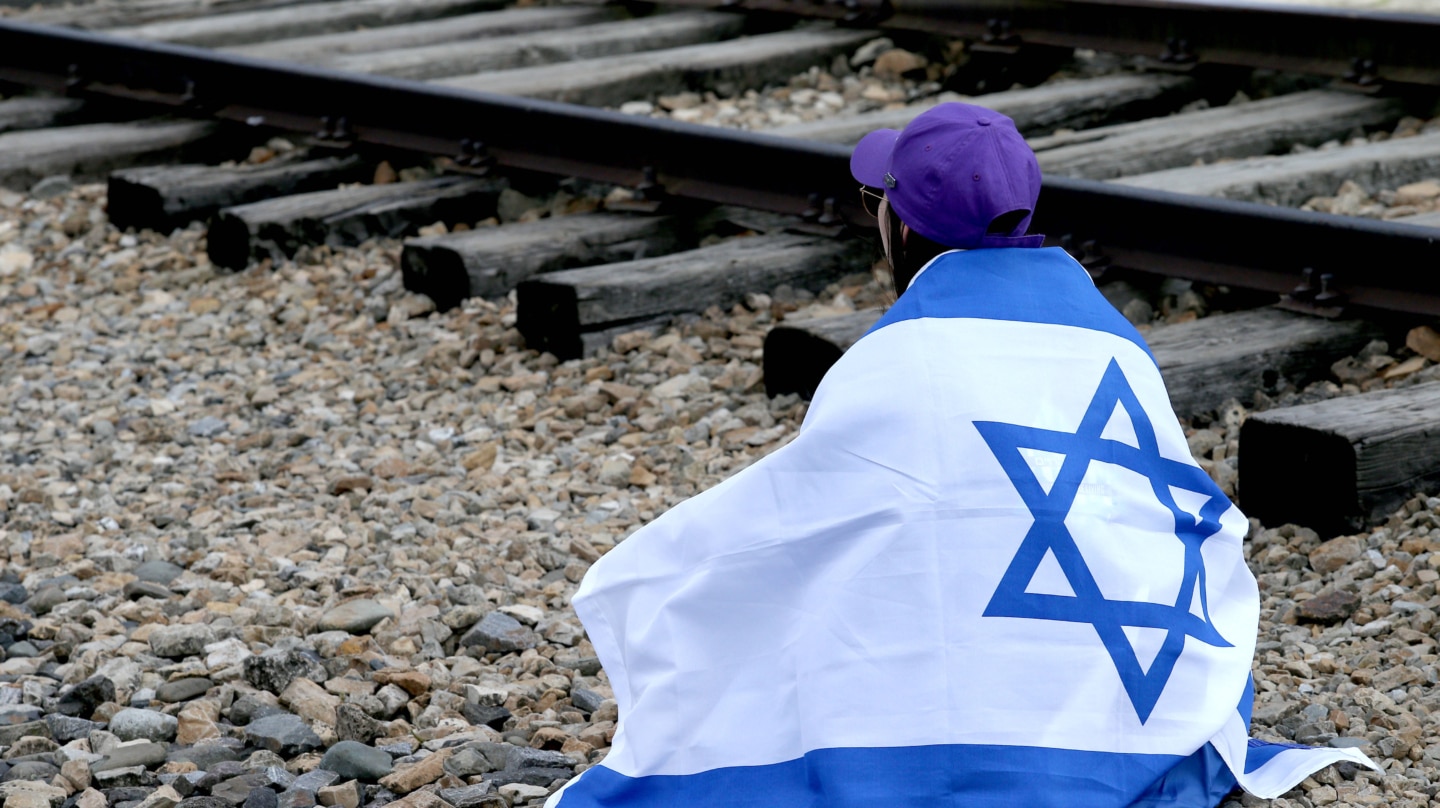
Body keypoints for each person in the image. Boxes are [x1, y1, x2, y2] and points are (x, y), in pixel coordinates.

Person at [545, 103, 1376, 808]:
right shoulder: (1116, 348)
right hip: (1131, 695)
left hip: (953, 706)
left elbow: (806, 531)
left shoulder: (896, 359)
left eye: (877, 198)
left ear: (901, 224)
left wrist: (648, 581)